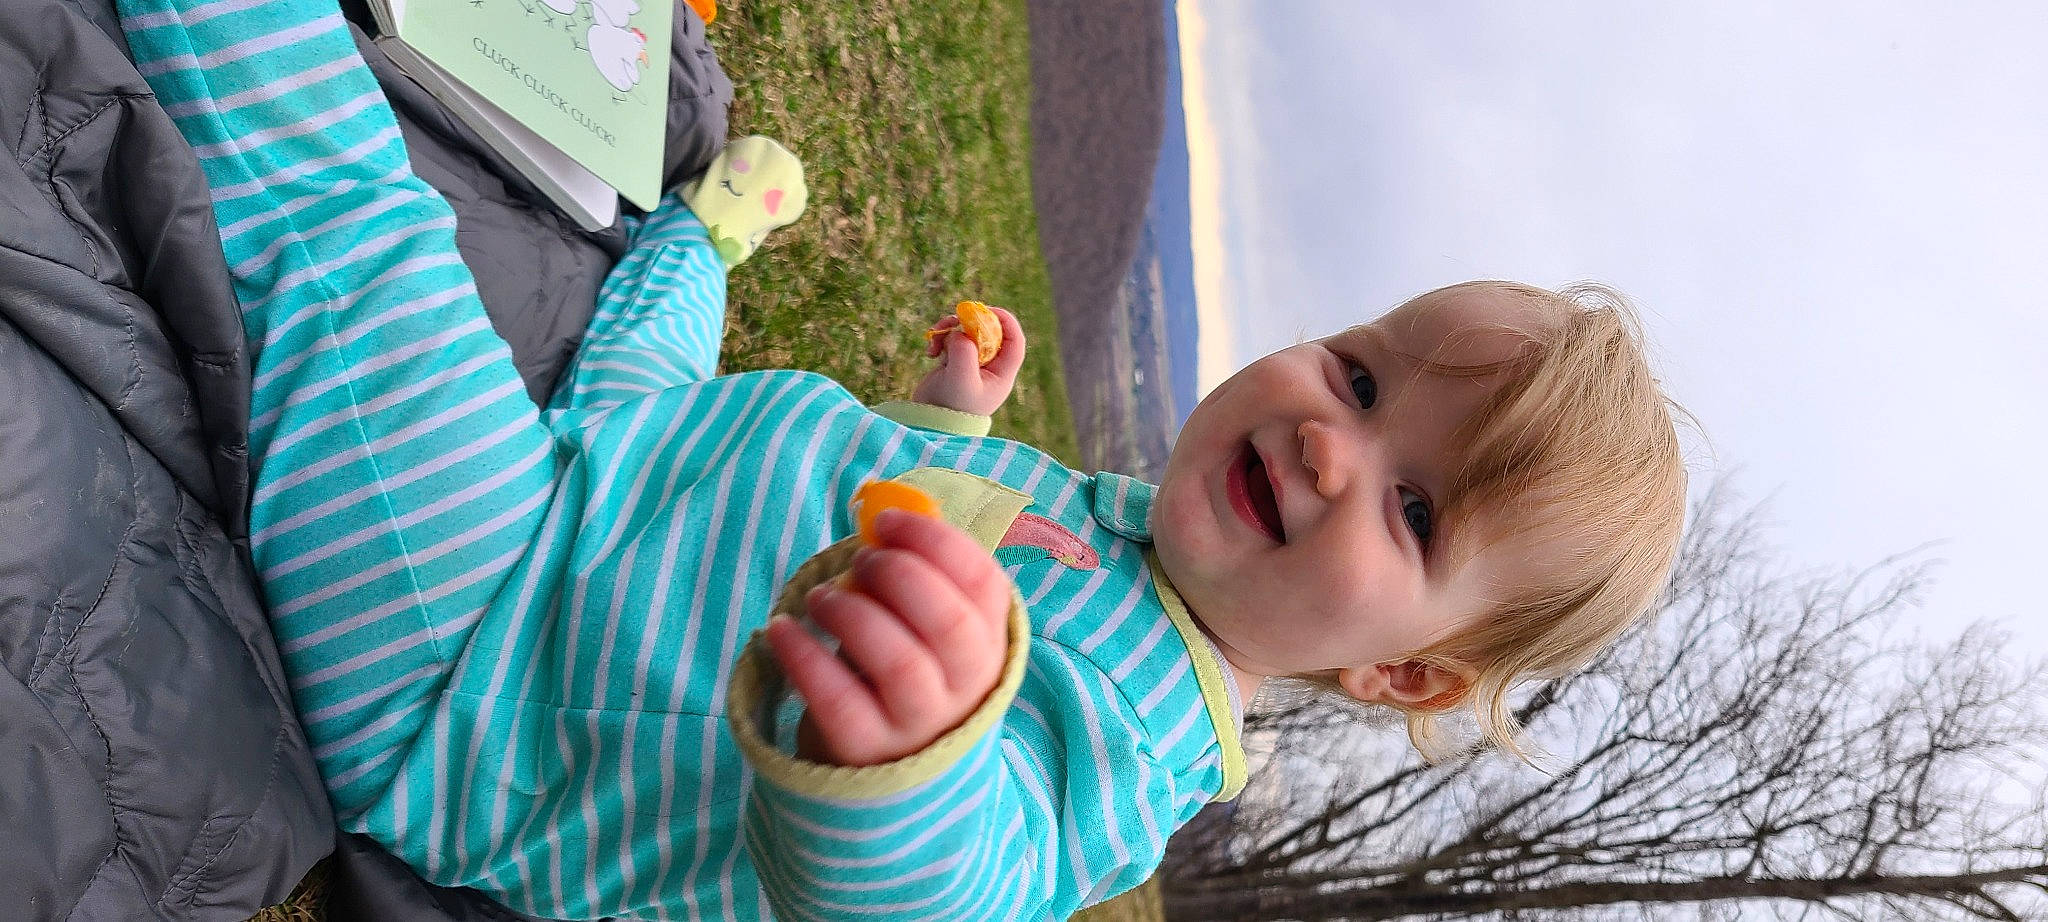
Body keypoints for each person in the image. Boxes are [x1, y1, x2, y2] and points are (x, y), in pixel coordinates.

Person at [115, 1, 1687, 919]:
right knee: (657, 332)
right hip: (614, 471)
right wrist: (949, 424)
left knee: (360, 249)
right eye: (1354, 372)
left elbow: (940, 886)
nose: (1331, 443)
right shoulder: (1124, 540)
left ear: (1401, 676)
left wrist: (903, 760)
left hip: (485, 666)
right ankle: (707, 231)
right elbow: (946, 525)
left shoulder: (1127, 748)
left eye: (1412, 507)